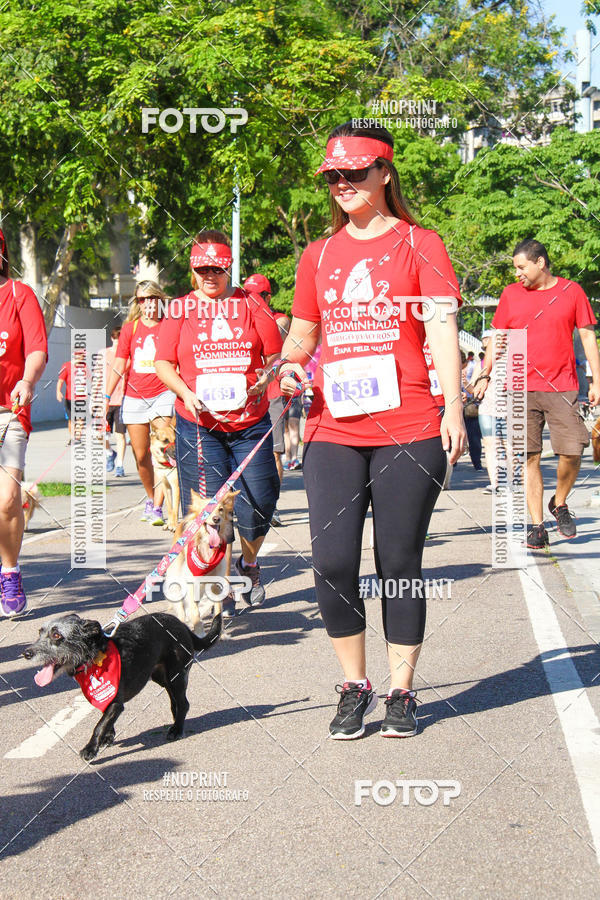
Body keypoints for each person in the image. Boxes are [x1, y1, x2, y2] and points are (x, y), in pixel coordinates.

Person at [276, 122, 465, 739]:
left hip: (409, 423)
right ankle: (353, 686)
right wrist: (289, 365)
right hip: (333, 426)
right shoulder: (319, 254)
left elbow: (439, 331)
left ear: (384, 172)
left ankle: (401, 693)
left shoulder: (421, 244)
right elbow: (304, 332)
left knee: (399, 561)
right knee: (332, 561)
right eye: (332, 176)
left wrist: (454, 408)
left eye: (355, 173)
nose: (342, 185)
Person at [155, 231, 283, 616]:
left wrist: (266, 377)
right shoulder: (179, 309)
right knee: (211, 511)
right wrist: (185, 392)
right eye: (203, 268)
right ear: (193, 270)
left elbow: (276, 354)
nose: (210, 275)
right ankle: (220, 583)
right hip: (199, 425)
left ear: (229, 268)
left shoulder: (251, 305)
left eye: (218, 268)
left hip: (250, 423)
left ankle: (249, 563)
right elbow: (163, 364)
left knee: (259, 503)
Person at [474, 239, 600, 548]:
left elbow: (586, 334)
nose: (517, 274)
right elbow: (497, 339)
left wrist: (597, 379)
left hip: (562, 386)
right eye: (515, 268)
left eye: (522, 267)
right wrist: (486, 373)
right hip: (519, 388)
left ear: (540, 263)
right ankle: (537, 526)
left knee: (572, 451)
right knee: (529, 457)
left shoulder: (572, 292)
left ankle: (559, 502)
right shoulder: (510, 295)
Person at [0, 228, 47, 615]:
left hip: (9, 409)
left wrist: (27, 381)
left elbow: (36, 348)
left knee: (7, 499)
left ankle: (10, 571)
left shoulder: (18, 294)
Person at [105, 281, 175, 525]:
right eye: (141, 299)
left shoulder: (170, 326)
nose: (147, 303)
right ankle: (151, 496)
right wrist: (105, 397)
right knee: (140, 455)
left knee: (162, 450)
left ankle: (157, 507)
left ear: (159, 299)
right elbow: (120, 364)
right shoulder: (130, 329)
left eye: (151, 298)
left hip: (163, 395)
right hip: (134, 398)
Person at [244, 274, 289, 526]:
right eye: (248, 295)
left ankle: (272, 506)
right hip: (246, 396)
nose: (253, 301)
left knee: (273, 453)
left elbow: (278, 334)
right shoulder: (238, 319)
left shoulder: (279, 319)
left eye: (258, 296)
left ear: (268, 298)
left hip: (271, 394)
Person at [476, 330, 507, 494]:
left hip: (510, 405)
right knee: (490, 444)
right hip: (488, 404)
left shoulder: (515, 358)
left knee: (509, 445)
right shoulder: (483, 364)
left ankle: (511, 481)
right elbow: (475, 383)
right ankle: (495, 483)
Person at [103, 326, 127, 477]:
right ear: (112, 338)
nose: (118, 341)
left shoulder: (126, 356)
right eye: (116, 338)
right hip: (105, 399)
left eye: (121, 338)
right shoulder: (103, 354)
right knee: (101, 434)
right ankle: (109, 452)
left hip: (122, 399)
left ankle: (120, 465)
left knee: (120, 435)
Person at [461, 351, 483, 471]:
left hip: (470, 406)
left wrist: (465, 386)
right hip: (457, 405)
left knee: (473, 437)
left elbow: (475, 389)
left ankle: (477, 463)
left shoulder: (473, 367)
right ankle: (452, 464)